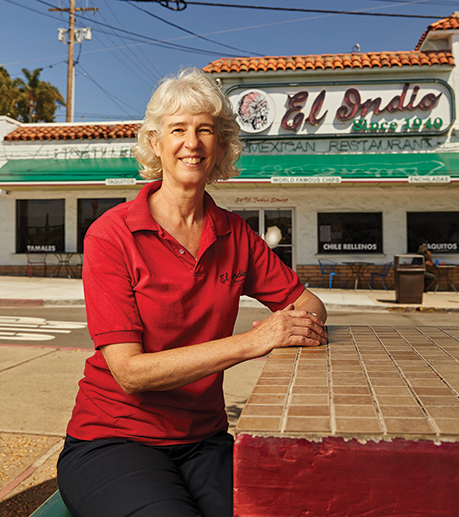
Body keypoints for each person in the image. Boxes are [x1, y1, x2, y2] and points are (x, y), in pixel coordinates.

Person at [57, 68, 327, 517]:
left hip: (204, 440)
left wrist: (294, 323)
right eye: (178, 129)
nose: (192, 142)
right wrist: (254, 341)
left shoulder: (234, 234)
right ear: (155, 143)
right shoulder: (112, 235)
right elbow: (130, 372)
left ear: (220, 145)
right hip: (112, 438)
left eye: (206, 130)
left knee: (277, 507)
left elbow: (306, 303)